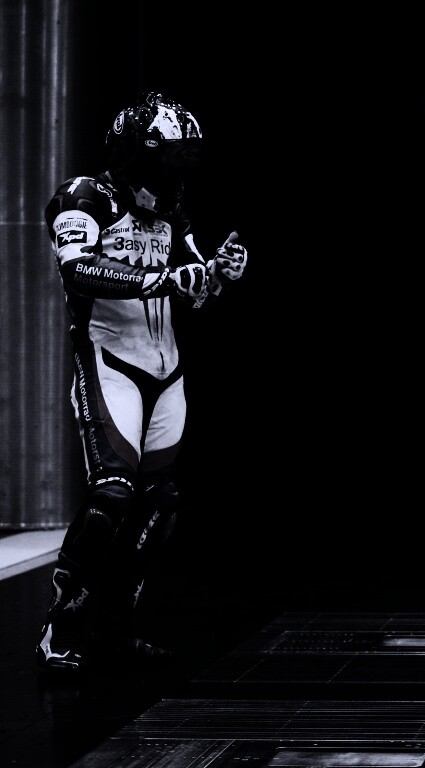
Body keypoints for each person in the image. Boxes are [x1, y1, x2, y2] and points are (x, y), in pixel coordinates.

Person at [36, 91, 248, 674]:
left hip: (166, 370)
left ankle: (115, 630)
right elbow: (77, 268)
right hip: (110, 363)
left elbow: (195, 291)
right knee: (111, 496)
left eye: (183, 163)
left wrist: (217, 273)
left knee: (161, 504)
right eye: (168, 161)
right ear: (137, 155)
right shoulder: (82, 197)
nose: (176, 176)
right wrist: (162, 279)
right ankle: (61, 628)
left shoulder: (173, 215)